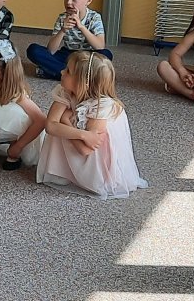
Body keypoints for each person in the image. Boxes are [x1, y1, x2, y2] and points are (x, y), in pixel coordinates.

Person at [34, 51, 147, 198]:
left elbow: (85, 150)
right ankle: (62, 170)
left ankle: (82, 177)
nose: (61, 72)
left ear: (83, 83)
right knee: (61, 128)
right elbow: (50, 126)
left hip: (93, 162)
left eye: (68, 71)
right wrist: (82, 134)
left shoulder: (102, 107)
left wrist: (65, 120)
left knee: (64, 127)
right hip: (79, 140)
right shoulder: (66, 91)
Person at [27, 0, 109, 80]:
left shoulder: (94, 17)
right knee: (33, 50)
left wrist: (81, 27)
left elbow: (100, 46)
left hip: (87, 57)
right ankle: (79, 76)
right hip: (68, 55)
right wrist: (63, 30)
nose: (69, 2)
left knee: (106, 55)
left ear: (88, 1)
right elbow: (51, 50)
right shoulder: (62, 18)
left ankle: (59, 73)